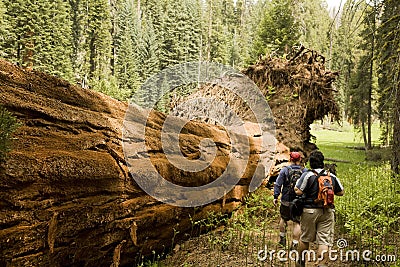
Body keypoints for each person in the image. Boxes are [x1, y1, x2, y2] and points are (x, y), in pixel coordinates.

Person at [294, 150, 344, 267]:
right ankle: (322, 264)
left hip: (309, 211)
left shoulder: (308, 175)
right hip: (327, 211)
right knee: (324, 241)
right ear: (322, 162)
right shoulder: (331, 176)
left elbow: (298, 190)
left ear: (310, 163)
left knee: (305, 238)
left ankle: (300, 262)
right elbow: (341, 192)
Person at [273, 151, 306, 249]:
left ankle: (282, 239)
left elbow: (278, 184)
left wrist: (276, 196)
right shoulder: (304, 171)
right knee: (297, 222)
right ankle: (295, 243)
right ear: (300, 159)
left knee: (283, 219)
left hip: (285, 200)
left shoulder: (284, 170)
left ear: (290, 159)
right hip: (298, 201)